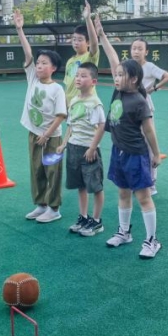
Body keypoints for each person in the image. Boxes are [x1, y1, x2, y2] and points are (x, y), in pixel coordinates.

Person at [94, 14, 163, 258]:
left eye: (121, 75)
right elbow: (114, 59)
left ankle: (152, 240)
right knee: (123, 193)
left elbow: (149, 130)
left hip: (136, 154)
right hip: (119, 152)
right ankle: (124, 233)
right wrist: (102, 35)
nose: (116, 77)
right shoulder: (118, 92)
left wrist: (156, 155)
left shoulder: (139, 101)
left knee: (143, 196)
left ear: (133, 79)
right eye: (116, 74)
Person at [14, 9, 68, 223]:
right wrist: (20, 30)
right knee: (36, 169)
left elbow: (61, 115)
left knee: (52, 171)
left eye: (44, 63)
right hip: (34, 133)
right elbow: (27, 53)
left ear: (53, 68)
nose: (39, 65)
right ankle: (41, 204)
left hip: (52, 137)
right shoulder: (33, 79)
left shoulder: (57, 89)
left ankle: (54, 208)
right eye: (38, 62)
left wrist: (46, 134)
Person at [118, 36, 168, 195]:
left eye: (140, 49)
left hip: (145, 108)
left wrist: (154, 88)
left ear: (146, 52)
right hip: (128, 108)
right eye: (134, 48)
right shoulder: (127, 66)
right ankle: (134, 180)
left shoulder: (149, 66)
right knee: (131, 143)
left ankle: (151, 183)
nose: (136, 51)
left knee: (148, 144)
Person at [57, 62, 106, 236]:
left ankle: (97, 221)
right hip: (73, 148)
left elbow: (102, 126)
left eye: (83, 76)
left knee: (95, 187)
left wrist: (92, 148)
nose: (78, 78)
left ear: (94, 81)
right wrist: (64, 144)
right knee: (81, 185)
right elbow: (71, 125)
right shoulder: (74, 100)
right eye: (77, 75)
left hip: (89, 150)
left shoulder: (95, 103)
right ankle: (83, 217)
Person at [63, 0, 100, 105]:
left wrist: (88, 19)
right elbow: (67, 85)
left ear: (87, 42)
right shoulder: (70, 61)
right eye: (74, 39)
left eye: (80, 40)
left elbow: (94, 44)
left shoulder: (89, 57)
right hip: (71, 104)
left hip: (86, 103)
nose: (76, 42)